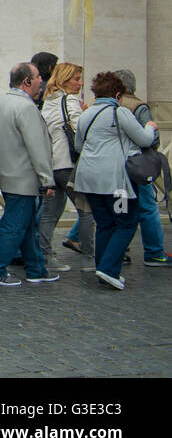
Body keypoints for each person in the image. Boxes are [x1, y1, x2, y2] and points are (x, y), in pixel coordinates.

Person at [73, 72, 160, 289]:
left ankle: (104, 268)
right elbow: (145, 139)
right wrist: (150, 126)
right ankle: (109, 269)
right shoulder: (119, 112)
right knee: (126, 222)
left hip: (89, 181)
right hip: (116, 183)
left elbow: (77, 146)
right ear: (118, 94)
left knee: (105, 224)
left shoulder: (86, 115)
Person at [0, 62, 59, 286]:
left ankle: (36, 268)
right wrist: (47, 179)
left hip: (6, 174)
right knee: (14, 225)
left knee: (25, 226)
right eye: (37, 78)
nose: (41, 82)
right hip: (23, 177)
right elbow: (38, 148)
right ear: (27, 81)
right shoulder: (26, 108)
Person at [113, 69, 170, 266]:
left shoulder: (105, 106)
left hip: (116, 167)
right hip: (139, 166)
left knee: (120, 207)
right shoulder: (138, 106)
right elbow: (152, 139)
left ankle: (119, 250)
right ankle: (154, 252)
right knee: (148, 208)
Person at [37, 62, 87, 271]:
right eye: (76, 79)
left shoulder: (48, 101)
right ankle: (92, 257)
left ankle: (45, 256)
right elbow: (82, 130)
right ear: (65, 80)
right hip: (68, 163)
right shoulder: (70, 100)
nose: (80, 83)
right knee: (87, 211)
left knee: (50, 213)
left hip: (52, 164)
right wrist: (86, 112)